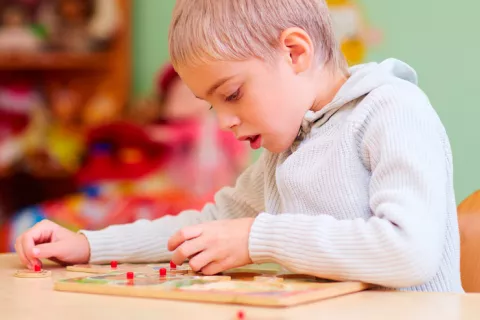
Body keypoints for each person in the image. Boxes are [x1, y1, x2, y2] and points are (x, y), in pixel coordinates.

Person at [14, 0, 462, 293]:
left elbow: (410, 252)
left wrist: (258, 238)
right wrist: (88, 245)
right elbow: (205, 226)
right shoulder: (286, 150)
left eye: (231, 94)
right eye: (210, 106)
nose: (225, 121)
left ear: (294, 53)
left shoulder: (393, 109)